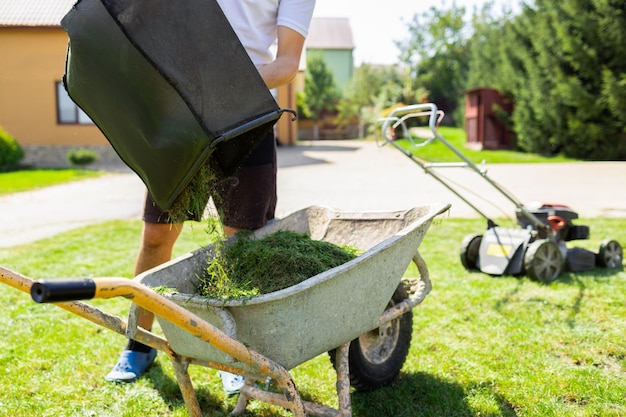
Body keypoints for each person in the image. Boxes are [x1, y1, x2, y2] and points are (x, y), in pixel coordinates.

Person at [104, 0, 316, 390]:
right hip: (184, 120)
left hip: (246, 119)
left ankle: (234, 356)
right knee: (156, 236)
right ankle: (138, 345)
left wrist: (221, 86)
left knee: (240, 247)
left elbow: (286, 64)